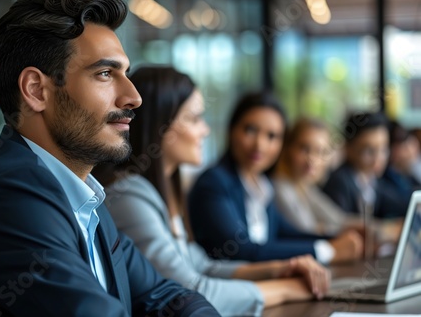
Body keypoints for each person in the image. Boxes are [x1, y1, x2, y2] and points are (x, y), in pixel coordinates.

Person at [0, 0, 220, 316]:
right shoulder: (9, 195)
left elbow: (168, 297)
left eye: (126, 73)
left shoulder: (82, 196)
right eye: (105, 73)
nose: (134, 97)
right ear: (36, 90)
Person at [96, 67, 330, 317]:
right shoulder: (130, 195)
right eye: (194, 119)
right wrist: (285, 289)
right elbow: (189, 290)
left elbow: (203, 266)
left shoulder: (162, 194)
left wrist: (280, 269)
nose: (205, 131)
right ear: (160, 125)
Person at [188, 94, 363, 265]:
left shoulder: (263, 184)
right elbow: (242, 250)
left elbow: (285, 233)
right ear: (232, 130)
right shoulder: (213, 183)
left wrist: (337, 239)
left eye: (272, 136)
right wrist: (327, 250)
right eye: (250, 130)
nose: (260, 145)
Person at [272, 117, 363, 235]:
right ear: (288, 148)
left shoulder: (304, 187)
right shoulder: (280, 187)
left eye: (321, 152)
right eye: (304, 149)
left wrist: (381, 228)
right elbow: (308, 232)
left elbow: (338, 219)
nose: (312, 159)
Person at [322, 112, 408, 219]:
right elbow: (340, 224)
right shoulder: (340, 183)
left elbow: (399, 202)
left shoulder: (371, 180)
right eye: (369, 151)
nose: (378, 158)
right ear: (348, 149)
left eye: (383, 149)